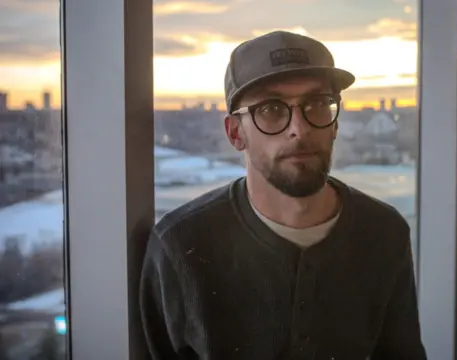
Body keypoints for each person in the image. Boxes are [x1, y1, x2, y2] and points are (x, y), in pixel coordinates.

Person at [140, 30, 427, 360]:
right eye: (270, 109)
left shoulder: (383, 232)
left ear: (335, 124)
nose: (299, 129)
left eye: (317, 105)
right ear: (236, 132)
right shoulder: (180, 245)